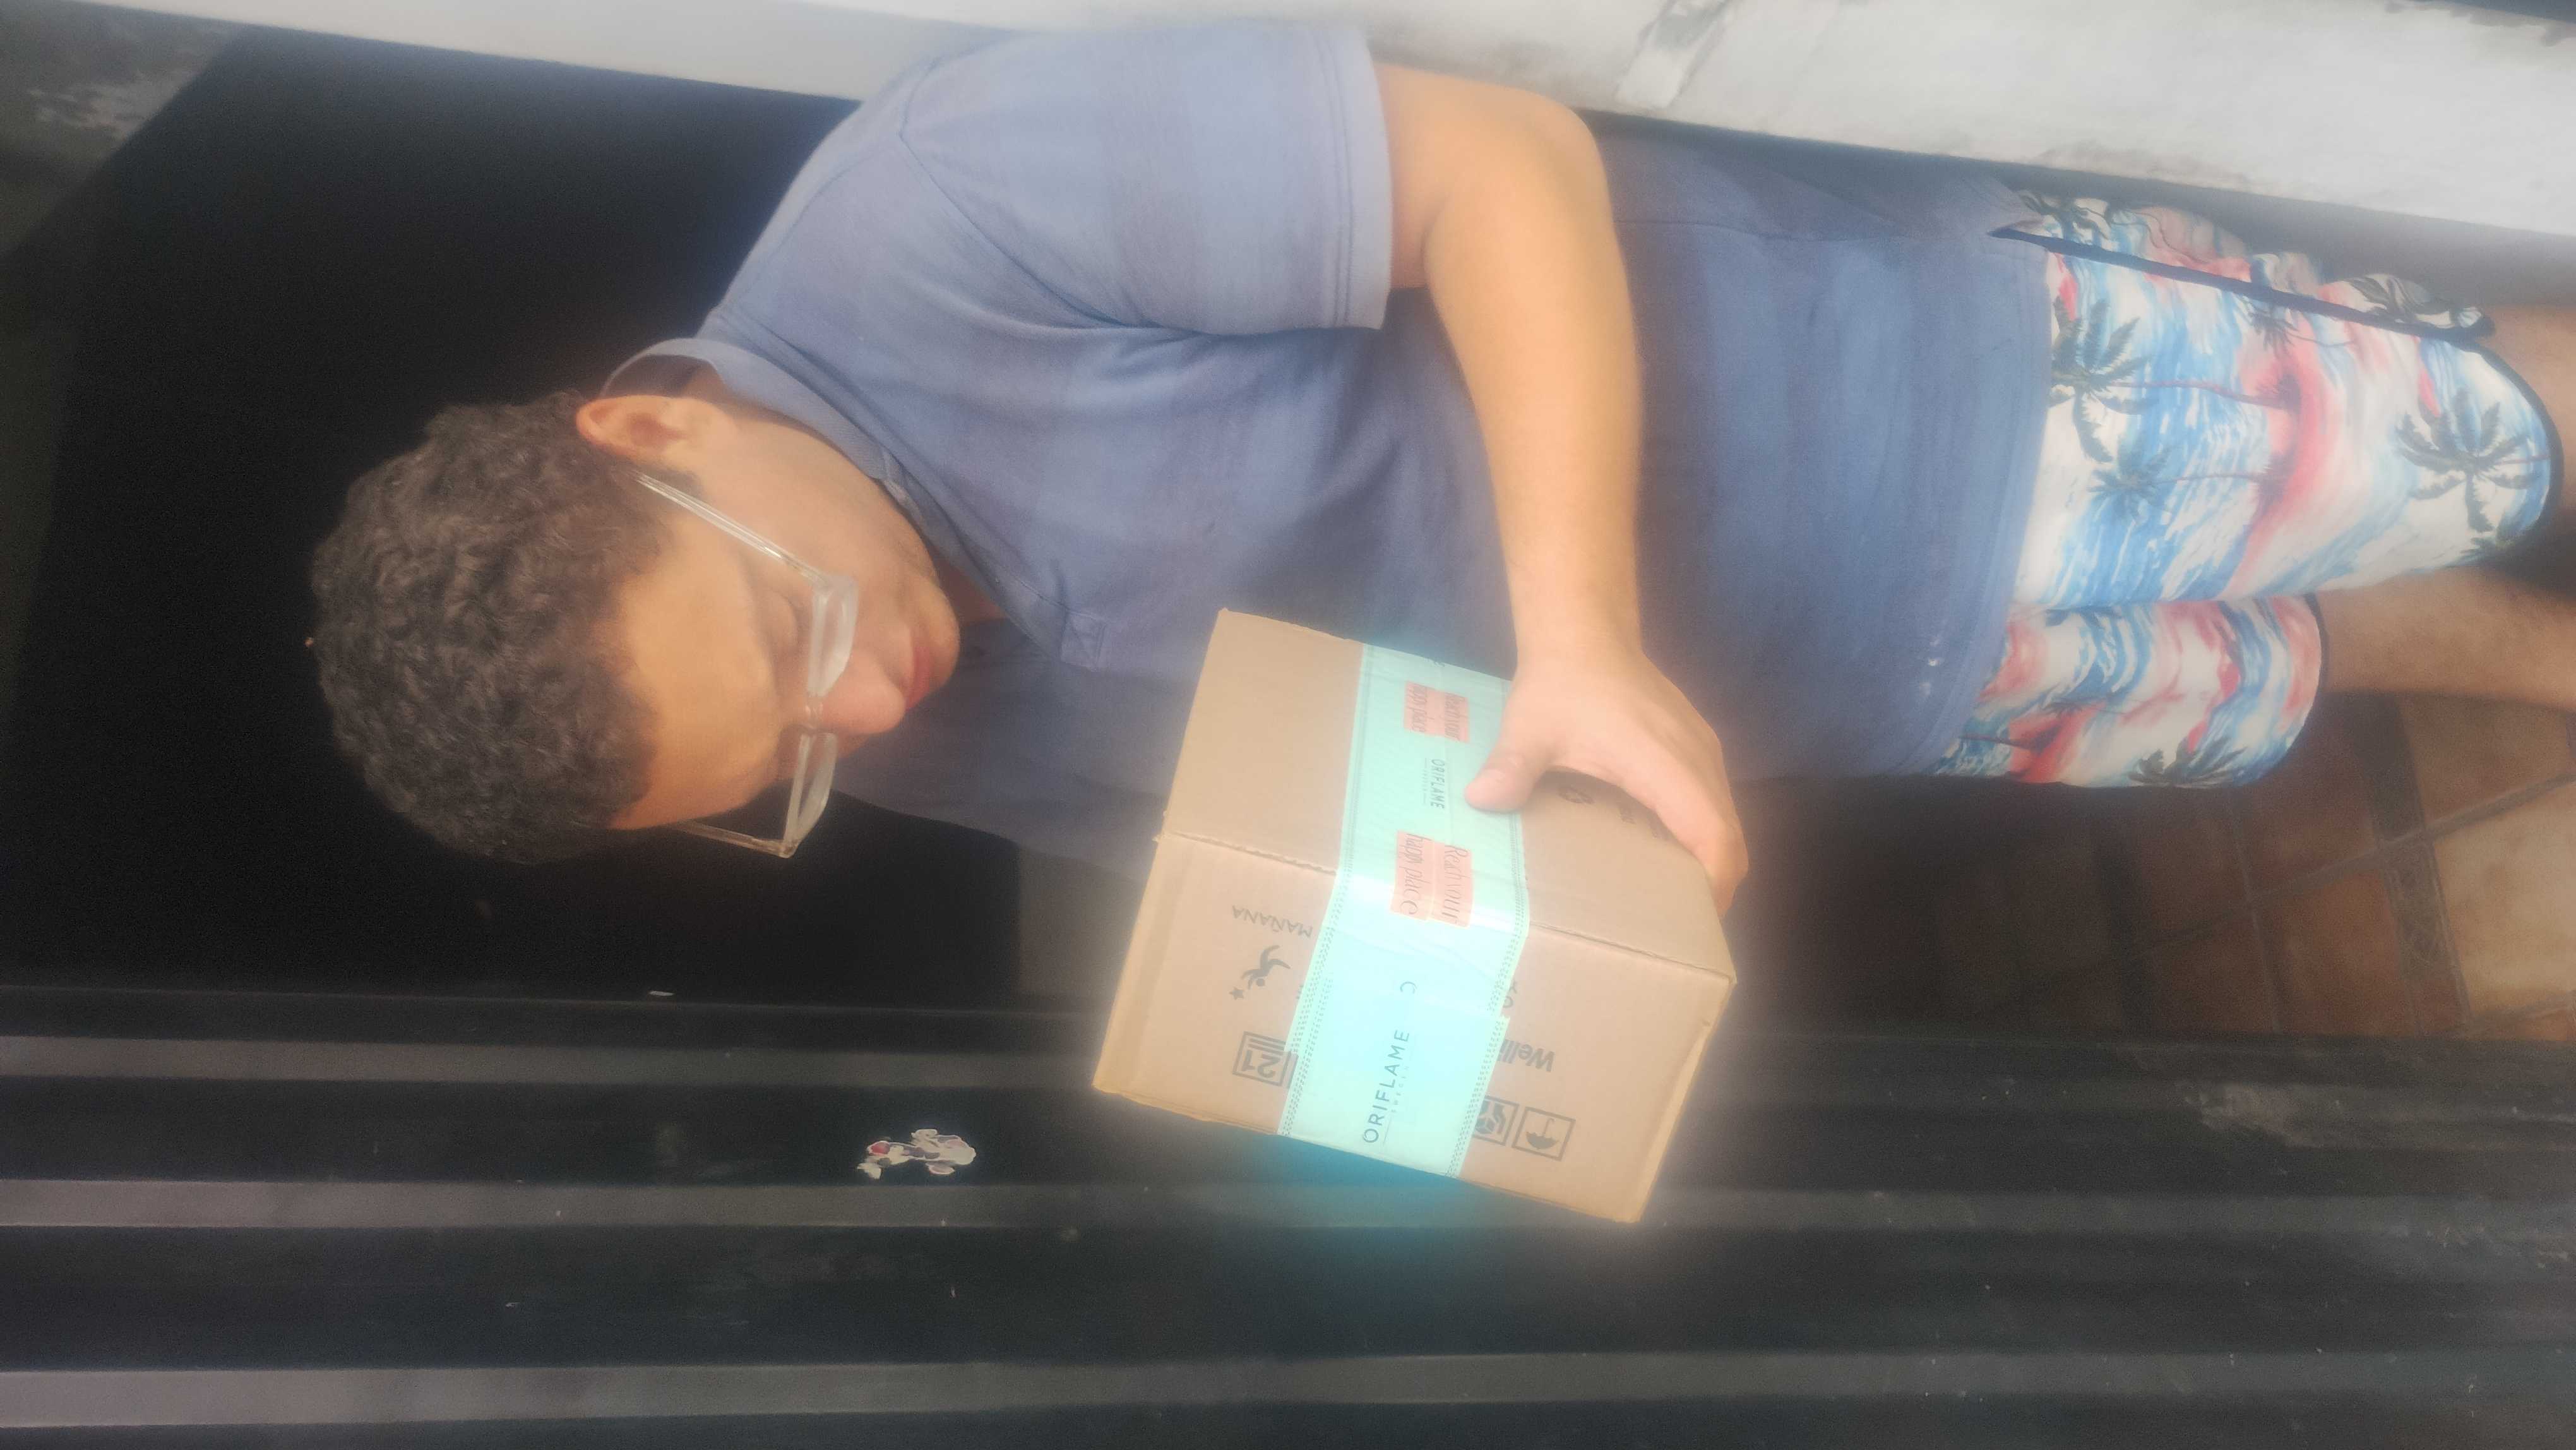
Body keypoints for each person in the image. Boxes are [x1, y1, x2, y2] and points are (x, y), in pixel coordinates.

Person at [308, 23, 2570, 909]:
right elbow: (1281, 803)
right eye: (789, 770)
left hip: (1976, 393)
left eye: (793, 634)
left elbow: (1501, 166)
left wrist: (1573, 633)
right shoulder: (879, 729)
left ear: (654, 430)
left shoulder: (946, 206)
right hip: (1870, 682)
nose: (868, 704)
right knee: (2293, 658)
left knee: (2490, 417)